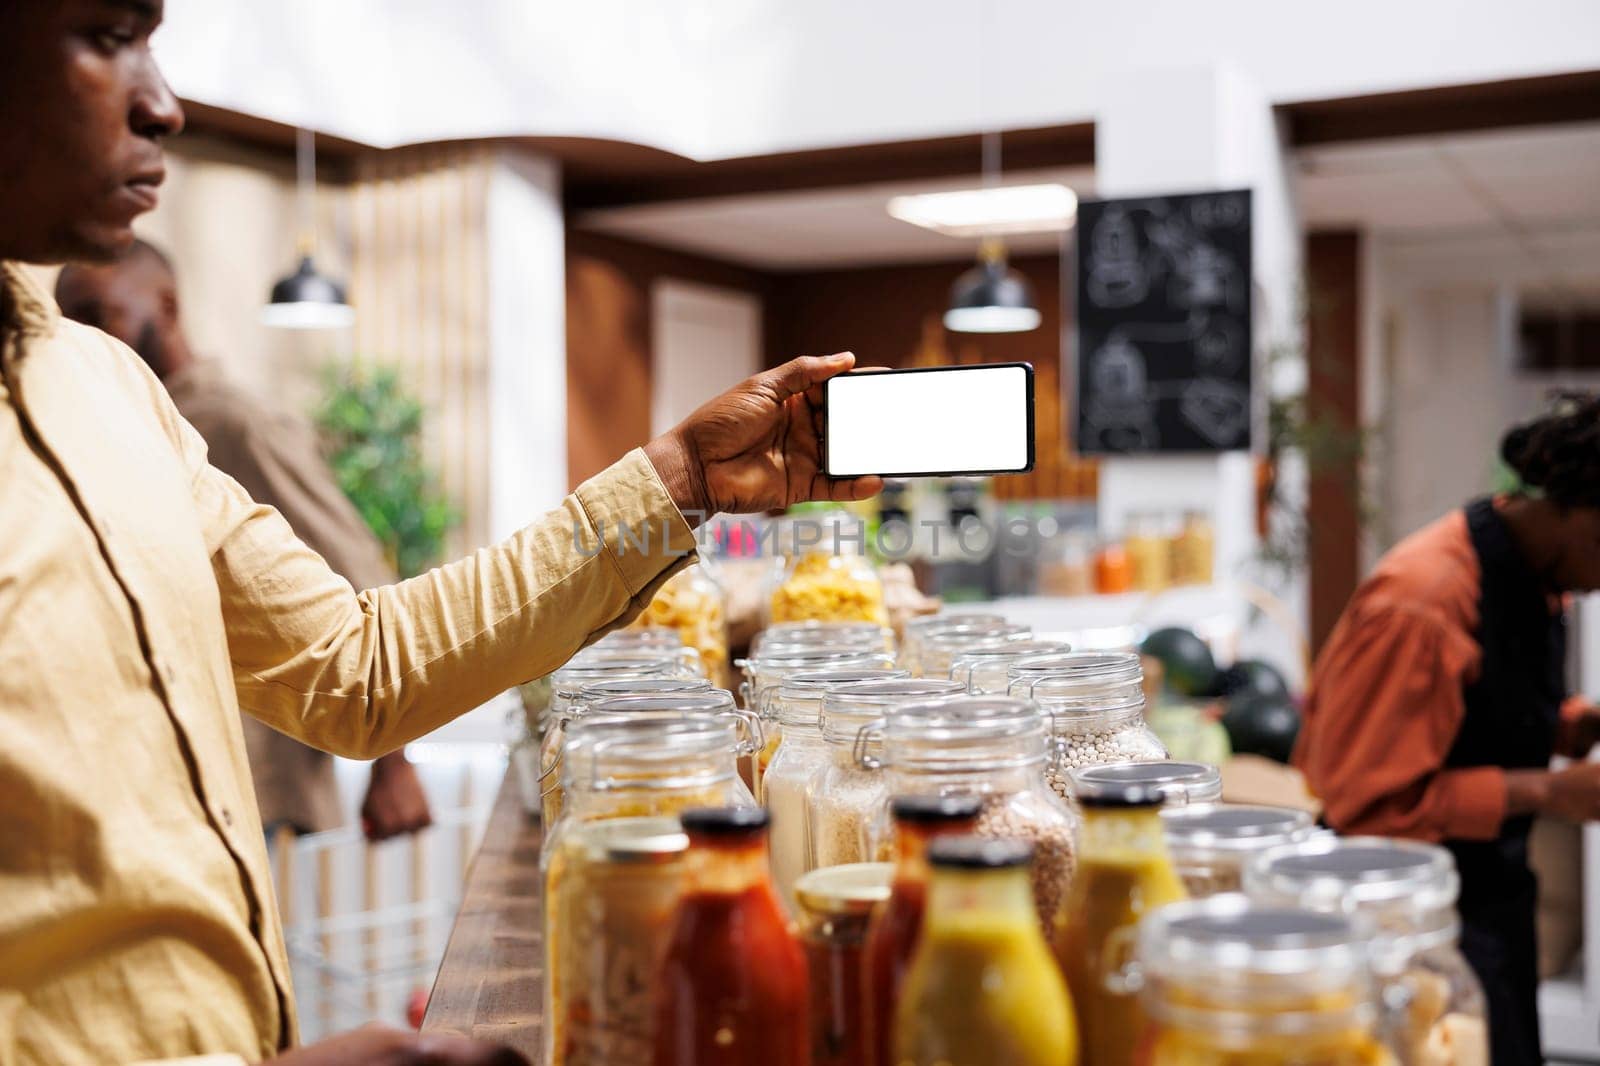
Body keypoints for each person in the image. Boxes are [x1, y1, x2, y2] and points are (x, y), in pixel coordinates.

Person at [0, 2, 881, 1064]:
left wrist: (679, 478)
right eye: (103, 34)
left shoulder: (106, 388)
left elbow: (355, 665)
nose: (164, 103)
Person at [55, 242, 434, 845]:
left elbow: (354, 561)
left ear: (168, 305)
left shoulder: (233, 423)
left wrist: (394, 762)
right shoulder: (118, 418)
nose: (82, 338)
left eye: (98, 314)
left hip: (245, 763)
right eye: (67, 321)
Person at [1297, 394, 1600, 1066]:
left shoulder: (1536, 568)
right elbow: (1367, 808)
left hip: (1490, 895)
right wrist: (1550, 794)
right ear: (1571, 506)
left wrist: (1569, 726)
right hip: (1409, 924)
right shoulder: (1422, 604)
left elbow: (1473, 707)